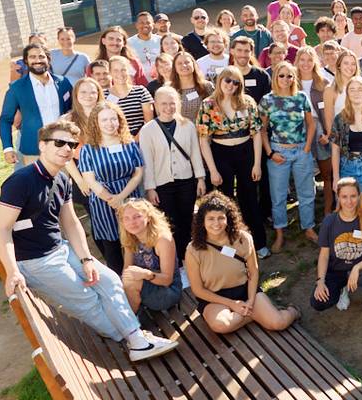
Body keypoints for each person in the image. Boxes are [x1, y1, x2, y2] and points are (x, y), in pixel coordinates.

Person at [0, 120, 177, 362]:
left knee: (110, 280)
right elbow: (2, 230)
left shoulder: (63, 179)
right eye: (59, 142)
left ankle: (135, 338)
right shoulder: (20, 182)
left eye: (71, 144)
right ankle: (134, 338)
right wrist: (13, 271)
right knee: (88, 299)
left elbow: (70, 222)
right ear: (42, 145)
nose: (66, 148)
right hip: (35, 261)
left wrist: (86, 258)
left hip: (60, 249)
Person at [185, 192, 299, 333]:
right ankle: (254, 315)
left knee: (278, 323)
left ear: (228, 218)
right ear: (202, 221)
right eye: (211, 219)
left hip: (245, 291)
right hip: (215, 298)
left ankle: (293, 311)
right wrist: (232, 304)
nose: (216, 223)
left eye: (221, 218)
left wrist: (250, 301)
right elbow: (198, 290)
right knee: (221, 326)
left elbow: (253, 272)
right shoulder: (193, 249)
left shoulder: (243, 238)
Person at [196, 66, 268, 258]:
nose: (231, 85)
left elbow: (257, 134)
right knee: (224, 201)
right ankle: (227, 245)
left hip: (245, 152)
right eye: (227, 80)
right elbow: (204, 139)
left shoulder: (247, 102)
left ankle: (258, 242)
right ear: (220, 81)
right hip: (221, 153)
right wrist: (212, 170)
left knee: (249, 198)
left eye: (236, 82)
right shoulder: (209, 104)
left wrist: (257, 164)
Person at [310, 178, 362, 328]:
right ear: (338, 198)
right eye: (344, 197)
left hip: (361, 270)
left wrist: (357, 268)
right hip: (337, 271)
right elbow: (323, 255)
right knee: (318, 303)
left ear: (359, 196)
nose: (349, 201)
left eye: (353, 196)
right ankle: (342, 289)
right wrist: (320, 282)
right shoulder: (329, 221)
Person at [139, 87, 206, 264]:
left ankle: (187, 256)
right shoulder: (148, 130)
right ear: (155, 105)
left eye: (172, 103)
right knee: (169, 222)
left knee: (186, 219)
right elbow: (148, 162)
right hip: (162, 184)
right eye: (163, 104)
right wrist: (150, 188)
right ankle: (173, 259)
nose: (168, 107)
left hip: (186, 181)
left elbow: (194, 153)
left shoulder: (188, 125)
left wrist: (200, 178)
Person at [79, 102, 144, 273]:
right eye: (104, 120)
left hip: (131, 197)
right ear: (96, 123)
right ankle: (118, 282)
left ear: (119, 120)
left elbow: (138, 173)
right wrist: (112, 199)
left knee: (137, 241)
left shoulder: (129, 143)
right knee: (112, 246)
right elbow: (90, 180)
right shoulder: (88, 149)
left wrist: (121, 197)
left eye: (113, 119)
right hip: (103, 202)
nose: (110, 123)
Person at [260, 61, 318, 251]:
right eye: (282, 75)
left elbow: (311, 124)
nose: (286, 79)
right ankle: (279, 233)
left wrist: (307, 147)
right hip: (278, 153)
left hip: (302, 151)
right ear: (276, 77)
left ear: (294, 78)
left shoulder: (301, 97)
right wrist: (270, 153)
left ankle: (308, 228)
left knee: (307, 192)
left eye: (289, 75)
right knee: (278, 196)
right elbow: (261, 130)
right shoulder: (267, 100)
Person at [0, 43, 73, 166]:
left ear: (48, 59)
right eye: (32, 57)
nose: (37, 60)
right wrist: (8, 148)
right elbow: (5, 119)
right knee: (38, 185)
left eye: (41, 56)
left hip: (63, 148)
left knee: (65, 184)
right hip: (33, 151)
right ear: (26, 61)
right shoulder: (17, 88)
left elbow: (73, 109)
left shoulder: (63, 82)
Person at [117, 199, 182, 313]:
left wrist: (146, 275)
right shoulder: (130, 237)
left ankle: (130, 326)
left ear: (148, 217)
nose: (132, 222)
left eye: (137, 216)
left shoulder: (162, 239)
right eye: (126, 218)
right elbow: (127, 271)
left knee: (131, 283)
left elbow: (167, 280)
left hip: (168, 290)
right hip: (142, 285)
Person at [295, 46, 335, 219]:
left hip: (320, 128)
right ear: (297, 61)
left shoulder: (323, 82)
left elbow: (330, 112)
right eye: (302, 60)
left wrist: (328, 133)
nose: (306, 64)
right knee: (303, 173)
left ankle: (328, 210)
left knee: (327, 173)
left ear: (315, 62)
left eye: (310, 60)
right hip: (298, 128)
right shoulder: (291, 81)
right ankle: (306, 213)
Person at [332, 77, 362, 211]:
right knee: (348, 210)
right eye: (352, 90)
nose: (356, 93)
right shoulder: (340, 118)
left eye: (360, 89)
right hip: (347, 167)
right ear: (347, 94)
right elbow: (335, 149)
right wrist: (336, 177)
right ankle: (350, 233)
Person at [106, 56, 154, 137]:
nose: (120, 73)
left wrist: (135, 140)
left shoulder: (141, 91)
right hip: (114, 141)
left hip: (140, 140)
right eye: (116, 70)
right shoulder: (103, 95)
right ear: (110, 73)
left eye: (123, 70)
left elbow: (149, 122)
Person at [169, 51, 214, 123]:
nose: (184, 65)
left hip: (204, 130)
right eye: (179, 63)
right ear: (175, 68)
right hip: (180, 130)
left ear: (193, 64)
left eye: (187, 62)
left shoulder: (207, 86)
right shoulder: (170, 89)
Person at [127, 12, 161, 81]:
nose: (145, 25)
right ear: (136, 25)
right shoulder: (128, 43)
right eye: (141, 23)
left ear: (153, 25)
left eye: (148, 22)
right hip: (141, 83)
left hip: (160, 80)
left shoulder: (161, 40)